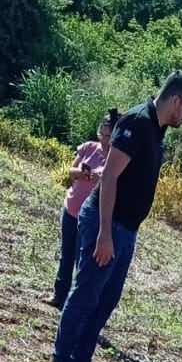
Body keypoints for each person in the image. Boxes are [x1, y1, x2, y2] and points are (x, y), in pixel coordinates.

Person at [49, 71, 182, 362]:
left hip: (126, 229)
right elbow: (110, 178)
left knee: (105, 300)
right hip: (107, 224)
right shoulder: (137, 122)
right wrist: (104, 233)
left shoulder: (157, 131)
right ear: (176, 100)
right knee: (87, 293)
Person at [42, 109, 118, 309]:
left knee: (80, 261)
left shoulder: (116, 160)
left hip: (90, 218)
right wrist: (82, 172)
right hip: (71, 209)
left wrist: (99, 178)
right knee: (66, 255)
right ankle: (59, 295)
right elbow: (71, 171)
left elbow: (112, 185)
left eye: (108, 136)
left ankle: (74, 304)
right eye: (101, 134)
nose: (103, 139)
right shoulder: (88, 148)